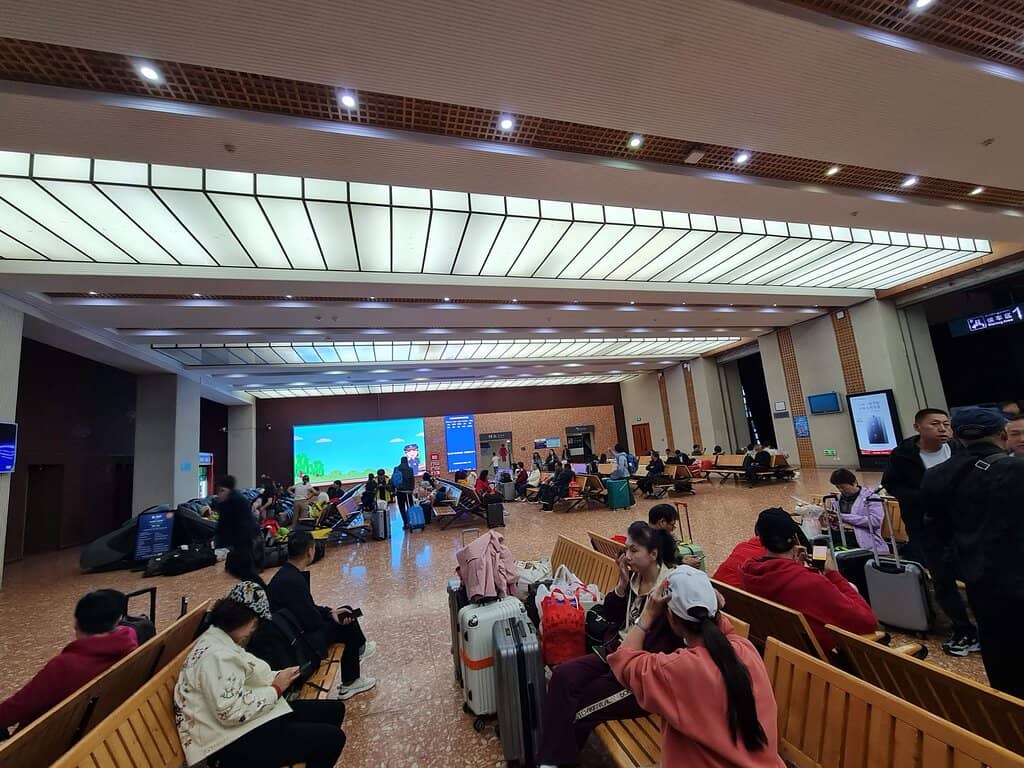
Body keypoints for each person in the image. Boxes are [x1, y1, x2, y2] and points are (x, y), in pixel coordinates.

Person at [608, 567, 784, 767]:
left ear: (672, 619)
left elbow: (624, 659)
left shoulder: (677, 670)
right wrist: (707, 603)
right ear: (716, 613)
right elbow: (722, 630)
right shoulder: (745, 649)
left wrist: (648, 613)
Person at [536, 522, 679, 766]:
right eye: (626, 550)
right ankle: (549, 759)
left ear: (653, 554)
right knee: (563, 677)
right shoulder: (636, 578)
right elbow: (612, 614)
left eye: (634, 551)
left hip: (641, 675)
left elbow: (663, 647)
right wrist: (622, 583)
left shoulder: (668, 588)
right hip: (614, 653)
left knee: (581, 703)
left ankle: (557, 761)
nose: (627, 556)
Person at [922, 407, 1024, 697]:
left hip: (978, 579)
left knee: (1000, 656)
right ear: (1003, 433)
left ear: (957, 434)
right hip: (1018, 576)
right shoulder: (1017, 469)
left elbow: (936, 530)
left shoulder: (936, 476)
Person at [173, 597, 346, 768]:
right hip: (228, 745)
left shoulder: (221, 641)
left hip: (244, 725)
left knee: (334, 710)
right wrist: (276, 689)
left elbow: (254, 672)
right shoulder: (217, 657)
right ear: (241, 621)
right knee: (332, 739)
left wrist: (279, 676)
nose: (253, 630)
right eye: (254, 624)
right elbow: (229, 711)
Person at [881, 408, 978, 656]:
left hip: (962, 525)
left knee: (975, 572)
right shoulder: (903, 455)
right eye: (935, 424)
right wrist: (925, 497)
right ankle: (962, 627)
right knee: (943, 578)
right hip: (926, 527)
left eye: (946, 424)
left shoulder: (958, 449)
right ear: (918, 428)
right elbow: (891, 484)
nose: (943, 428)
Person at [740, 508, 878, 654]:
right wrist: (832, 574)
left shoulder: (747, 573)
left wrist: (795, 568)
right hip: (823, 663)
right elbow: (868, 622)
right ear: (795, 538)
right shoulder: (811, 583)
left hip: (781, 655)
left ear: (760, 539)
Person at [0, 590, 137, 732]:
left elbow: (16, 709)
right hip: (98, 729)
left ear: (77, 623)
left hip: (47, 741)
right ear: (116, 620)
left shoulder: (65, 666)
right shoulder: (128, 642)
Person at [266, 531, 376, 700]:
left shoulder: (287, 574)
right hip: (299, 646)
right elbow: (312, 621)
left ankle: (360, 648)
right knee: (345, 625)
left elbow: (307, 609)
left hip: (294, 634)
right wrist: (329, 617)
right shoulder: (293, 581)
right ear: (310, 551)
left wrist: (329, 612)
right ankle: (351, 680)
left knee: (342, 612)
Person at [827, 469, 888, 554]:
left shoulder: (871, 498)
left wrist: (843, 517)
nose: (841, 490)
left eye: (843, 487)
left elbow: (875, 521)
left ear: (854, 483)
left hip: (863, 541)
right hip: (840, 538)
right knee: (820, 551)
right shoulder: (837, 499)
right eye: (838, 487)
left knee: (834, 556)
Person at [215, 475, 258, 574]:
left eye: (221, 490)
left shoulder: (232, 501)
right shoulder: (237, 498)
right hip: (245, 537)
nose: (219, 494)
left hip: (242, 537)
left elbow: (225, 523)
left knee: (245, 568)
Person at [648, 503, 703, 568]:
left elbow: (667, 559)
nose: (672, 529)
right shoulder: (663, 539)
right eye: (672, 525)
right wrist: (683, 564)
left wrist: (681, 559)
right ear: (662, 522)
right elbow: (667, 566)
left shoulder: (641, 535)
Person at [391, 455, 415, 530]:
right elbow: (412, 480)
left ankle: (405, 523)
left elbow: (393, 480)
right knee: (410, 507)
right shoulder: (410, 469)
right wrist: (411, 489)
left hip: (400, 491)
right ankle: (411, 522)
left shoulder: (396, 468)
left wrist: (393, 490)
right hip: (408, 492)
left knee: (402, 508)